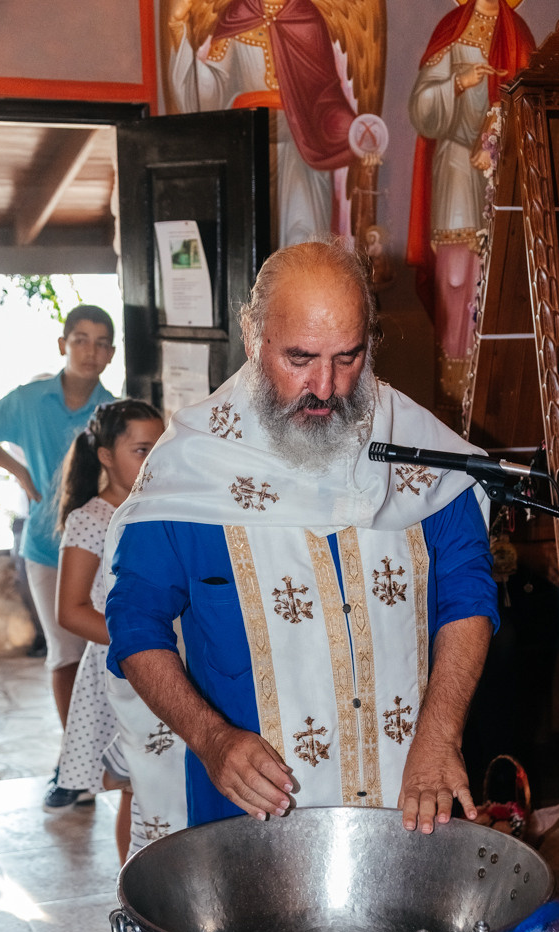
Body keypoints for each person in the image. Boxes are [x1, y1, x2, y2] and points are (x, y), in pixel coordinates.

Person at [104, 239, 500, 841]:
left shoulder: (421, 453)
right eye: (300, 358)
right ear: (252, 336)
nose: (326, 386)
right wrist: (211, 739)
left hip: (406, 793)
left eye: (348, 357)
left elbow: (467, 591)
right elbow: (135, 624)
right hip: (251, 814)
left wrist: (440, 734)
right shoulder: (191, 468)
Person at [0, 307, 117, 752]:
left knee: (105, 655)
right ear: (62, 345)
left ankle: (110, 757)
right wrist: (20, 473)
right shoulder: (29, 399)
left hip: (102, 546)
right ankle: (74, 759)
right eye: (81, 340)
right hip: (46, 547)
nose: (90, 351)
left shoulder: (113, 411)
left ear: (111, 354)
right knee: (65, 654)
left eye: (101, 343)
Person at [407, 0, 534, 432]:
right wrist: (458, 82)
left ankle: (488, 398)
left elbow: (531, 105)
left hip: (501, 170)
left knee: (494, 277)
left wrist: (498, 135)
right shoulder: (452, 30)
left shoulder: (519, 36)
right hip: (456, 166)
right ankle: (451, 397)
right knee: (455, 277)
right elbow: (422, 110)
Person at [44, 402, 164, 861]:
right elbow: (71, 612)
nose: (153, 460)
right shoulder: (91, 520)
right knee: (137, 783)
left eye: (160, 448)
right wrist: (141, 638)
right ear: (106, 456)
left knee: (161, 776)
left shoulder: (160, 507)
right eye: (141, 450)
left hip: (165, 659)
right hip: (121, 666)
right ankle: (133, 888)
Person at [166, 0, 358, 246]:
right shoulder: (238, 14)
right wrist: (177, 25)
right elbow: (210, 87)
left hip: (299, 145)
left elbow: (325, 94)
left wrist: (350, 128)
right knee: (246, 238)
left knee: (302, 238)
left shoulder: (309, 19)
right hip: (248, 144)